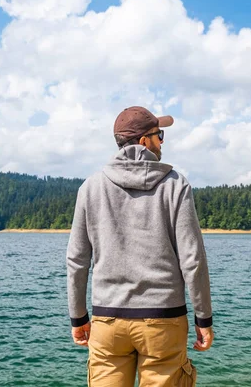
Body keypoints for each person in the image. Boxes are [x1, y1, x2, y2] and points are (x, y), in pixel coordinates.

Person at [67, 106, 214, 386]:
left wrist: (78, 318)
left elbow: (76, 260)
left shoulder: (90, 187)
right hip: (163, 320)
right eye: (159, 135)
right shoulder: (176, 185)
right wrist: (203, 318)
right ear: (144, 141)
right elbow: (192, 260)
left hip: (107, 320)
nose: (162, 142)